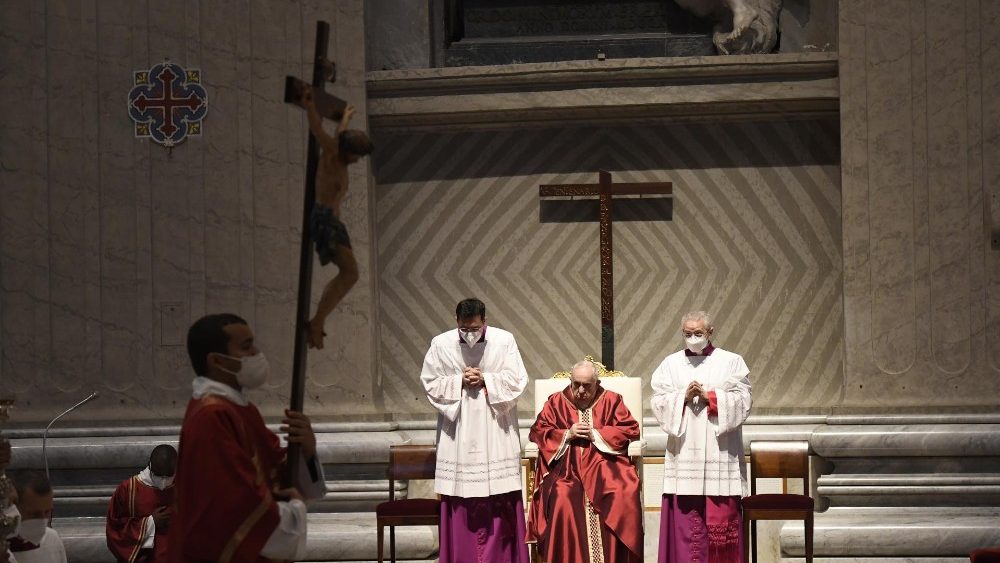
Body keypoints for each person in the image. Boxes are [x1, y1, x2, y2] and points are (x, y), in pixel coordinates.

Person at [167, 313, 326, 562]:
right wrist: (294, 512)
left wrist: (306, 450)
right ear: (217, 360)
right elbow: (235, 504)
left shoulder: (237, 408)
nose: (256, 353)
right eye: (246, 346)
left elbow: (271, 470)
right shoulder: (212, 417)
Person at [421, 298, 530, 563]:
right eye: (465, 329)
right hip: (458, 429)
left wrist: (486, 379)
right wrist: (459, 380)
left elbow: (517, 380)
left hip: (495, 428)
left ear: (485, 321)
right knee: (461, 494)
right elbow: (429, 382)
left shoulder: (505, 341)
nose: (470, 334)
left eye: (475, 328)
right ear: (456, 322)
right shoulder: (440, 343)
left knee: (499, 493)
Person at [650, 311, 752, 563]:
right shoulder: (670, 364)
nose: (692, 338)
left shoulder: (731, 362)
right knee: (686, 522)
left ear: (710, 332)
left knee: (722, 520)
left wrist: (711, 398)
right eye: (687, 334)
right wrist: (681, 398)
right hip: (684, 451)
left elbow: (744, 401)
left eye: (698, 333)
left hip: (720, 452)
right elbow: (658, 401)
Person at [527, 360, 643, 563]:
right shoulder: (556, 402)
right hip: (566, 469)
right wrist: (566, 434)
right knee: (563, 496)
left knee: (620, 491)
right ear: (570, 381)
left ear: (596, 383)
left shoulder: (612, 400)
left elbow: (630, 429)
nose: (580, 391)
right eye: (576, 384)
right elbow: (538, 430)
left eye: (587, 385)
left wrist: (597, 434)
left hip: (606, 465)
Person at [301, 85, 374, 350]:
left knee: (351, 273)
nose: (357, 161)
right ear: (347, 151)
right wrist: (310, 105)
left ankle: (318, 320)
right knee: (350, 272)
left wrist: (345, 118)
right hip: (324, 220)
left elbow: (339, 133)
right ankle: (317, 321)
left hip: (334, 222)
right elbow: (319, 131)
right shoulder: (332, 153)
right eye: (356, 155)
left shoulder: (341, 155)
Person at [106, 444, 177, 562]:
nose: (163, 482)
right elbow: (115, 529)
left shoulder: (186, 488)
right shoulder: (129, 489)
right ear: (150, 466)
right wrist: (150, 523)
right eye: (159, 475)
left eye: (168, 476)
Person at [7, 470, 66, 563]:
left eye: (47, 512)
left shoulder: (52, 539)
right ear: (14, 509)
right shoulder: (3, 548)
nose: (42, 520)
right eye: (34, 514)